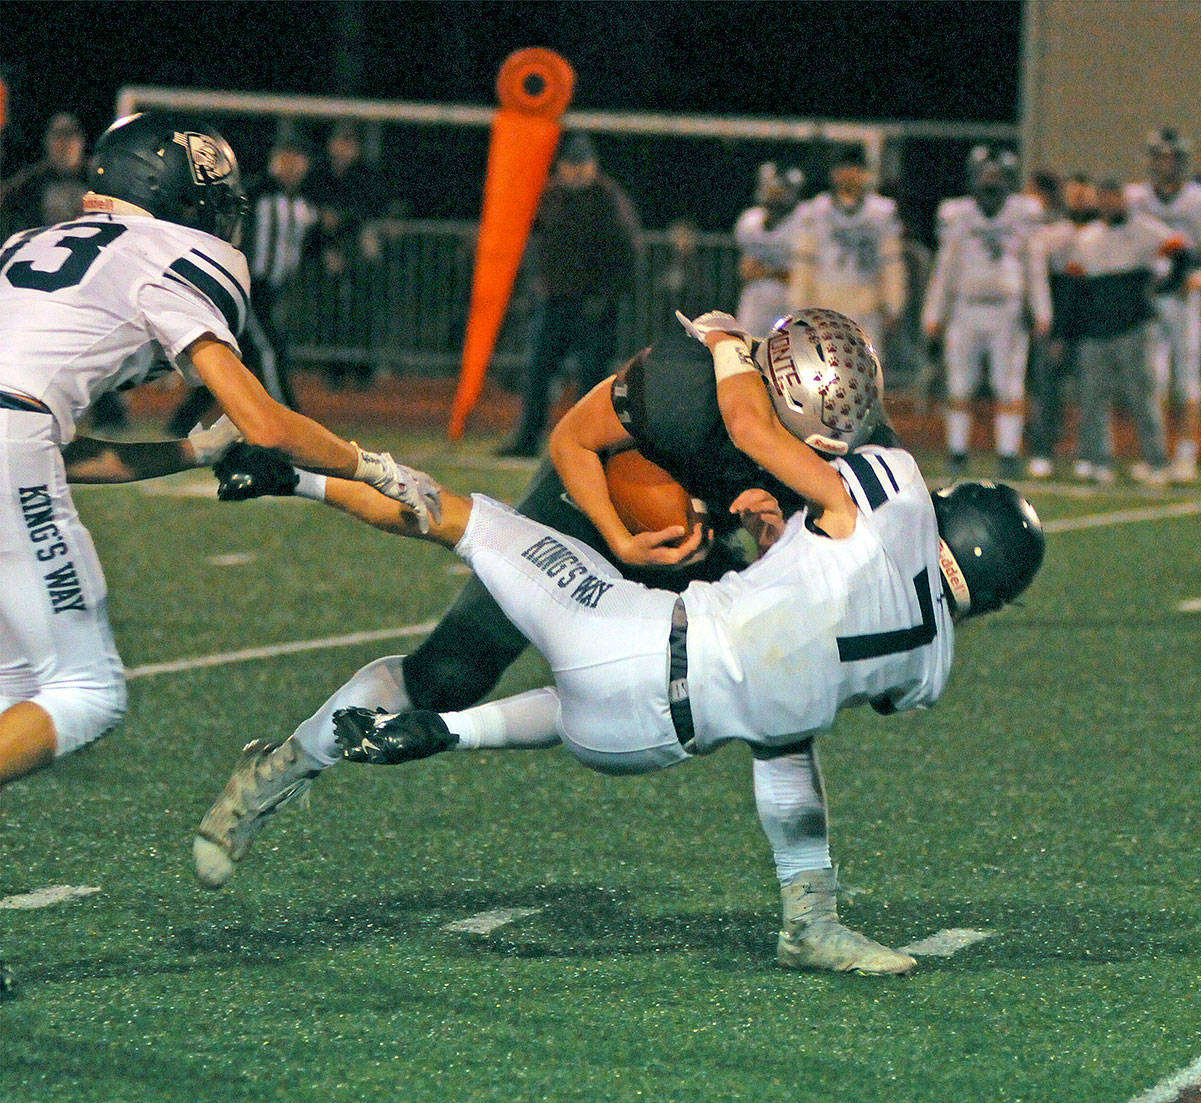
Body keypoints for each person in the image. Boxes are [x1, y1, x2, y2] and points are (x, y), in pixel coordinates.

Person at [196, 308, 1043, 975]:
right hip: (598, 503)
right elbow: (571, 440)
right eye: (811, 436)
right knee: (451, 673)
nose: (828, 449)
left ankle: (298, 474)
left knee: (778, 690)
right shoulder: (685, 383)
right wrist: (619, 532)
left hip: (689, 593)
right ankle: (285, 768)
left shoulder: (858, 452)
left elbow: (810, 590)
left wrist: (758, 533)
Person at [0, 111, 434, 790]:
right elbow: (265, 423)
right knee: (86, 693)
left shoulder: (33, 241)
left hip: (15, 432)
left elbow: (56, 454)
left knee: (17, 689)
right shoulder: (162, 254)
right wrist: (373, 465)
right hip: (10, 435)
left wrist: (195, 451)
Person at [497, 132, 642, 457]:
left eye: (582, 164)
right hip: (555, 300)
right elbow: (532, 241)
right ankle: (528, 438)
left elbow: (628, 252)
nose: (576, 171)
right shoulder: (550, 196)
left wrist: (607, 296)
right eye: (570, 165)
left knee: (592, 380)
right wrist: (536, 286)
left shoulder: (607, 198)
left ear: (594, 165)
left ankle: (589, 443)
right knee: (537, 373)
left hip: (595, 305)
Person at [168, 130, 316, 434]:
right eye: (286, 157)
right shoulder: (256, 194)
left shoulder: (302, 203)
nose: (292, 165)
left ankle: (182, 421)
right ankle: (290, 418)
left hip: (270, 290)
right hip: (247, 287)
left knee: (235, 359)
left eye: (298, 159)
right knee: (269, 350)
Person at [922, 146, 1051, 478]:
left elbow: (1034, 265)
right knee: (959, 383)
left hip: (1007, 311)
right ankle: (958, 451)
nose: (990, 183)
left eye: (996, 176)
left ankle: (1008, 454)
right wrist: (934, 312)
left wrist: (1041, 309)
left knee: (1008, 385)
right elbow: (945, 268)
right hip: (966, 308)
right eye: (985, 175)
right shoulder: (958, 214)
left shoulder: (1024, 213)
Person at [0, 112, 129, 431]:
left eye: (70, 138)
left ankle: (109, 413)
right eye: (58, 138)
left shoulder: (101, 182)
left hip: (94, 280)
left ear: (82, 143)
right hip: (39, 285)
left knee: (102, 347)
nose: (64, 146)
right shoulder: (27, 186)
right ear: (46, 143)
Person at [1068, 179, 1192, 485]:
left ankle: (1156, 461)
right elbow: (1076, 285)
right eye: (1105, 198)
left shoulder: (1145, 229)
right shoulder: (1088, 238)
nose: (1111, 203)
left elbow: (1182, 252)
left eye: (1115, 197)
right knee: (1093, 398)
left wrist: (1167, 287)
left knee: (1143, 397)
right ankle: (1100, 460)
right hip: (1097, 328)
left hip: (1135, 326)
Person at [1125, 129, 1201, 483]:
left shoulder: (1199, 199)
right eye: (1159, 158)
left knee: (1186, 382)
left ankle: (1186, 455)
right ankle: (1156, 455)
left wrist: (1197, 279)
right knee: (1153, 380)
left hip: (1182, 301)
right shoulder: (1137, 198)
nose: (1165, 165)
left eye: (1171, 158)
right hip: (1149, 299)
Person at [787, 143, 906, 358]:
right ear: (833, 173)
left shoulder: (882, 212)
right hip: (824, 309)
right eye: (843, 168)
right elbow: (804, 263)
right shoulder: (815, 211)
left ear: (865, 173)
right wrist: (798, 308)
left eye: (855, 168)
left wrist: (893, 304)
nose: (849, 174)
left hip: (867, 308)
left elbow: (891, 262)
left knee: (868, 376)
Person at [306, 122, 392, 390]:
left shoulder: (365, 174)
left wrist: (341, 220)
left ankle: (362, 369)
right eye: (339, 142)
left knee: (361, 310)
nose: (343, 149)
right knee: (328, 310)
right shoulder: (320, 174)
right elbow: (312, 207)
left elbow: (372, 207)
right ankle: (334, 369)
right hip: (327, 250)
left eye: (349, 143)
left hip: (357, 252)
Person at [1025, 173, 1098, 478]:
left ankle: (1088, 453)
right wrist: (1047, 320)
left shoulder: (1101, 232)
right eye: (1074, 194)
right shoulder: (1055, 234)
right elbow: (1041, 273)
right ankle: (1042, 449)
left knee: (1091, 390)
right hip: (1059, 318)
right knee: (1046, 389)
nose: (1079, 199)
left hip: (1092, 321)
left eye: (1084, 194)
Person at [732, 162, 803, 336]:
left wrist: (767, 271)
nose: (775, 193)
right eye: (771, 187)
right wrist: (776, 273)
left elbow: (801, 276)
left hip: (791, 302)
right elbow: (746, 270)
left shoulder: (803, 222)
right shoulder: (750, 221)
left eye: (781, 188)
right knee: (748, 351)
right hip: (755, 301)